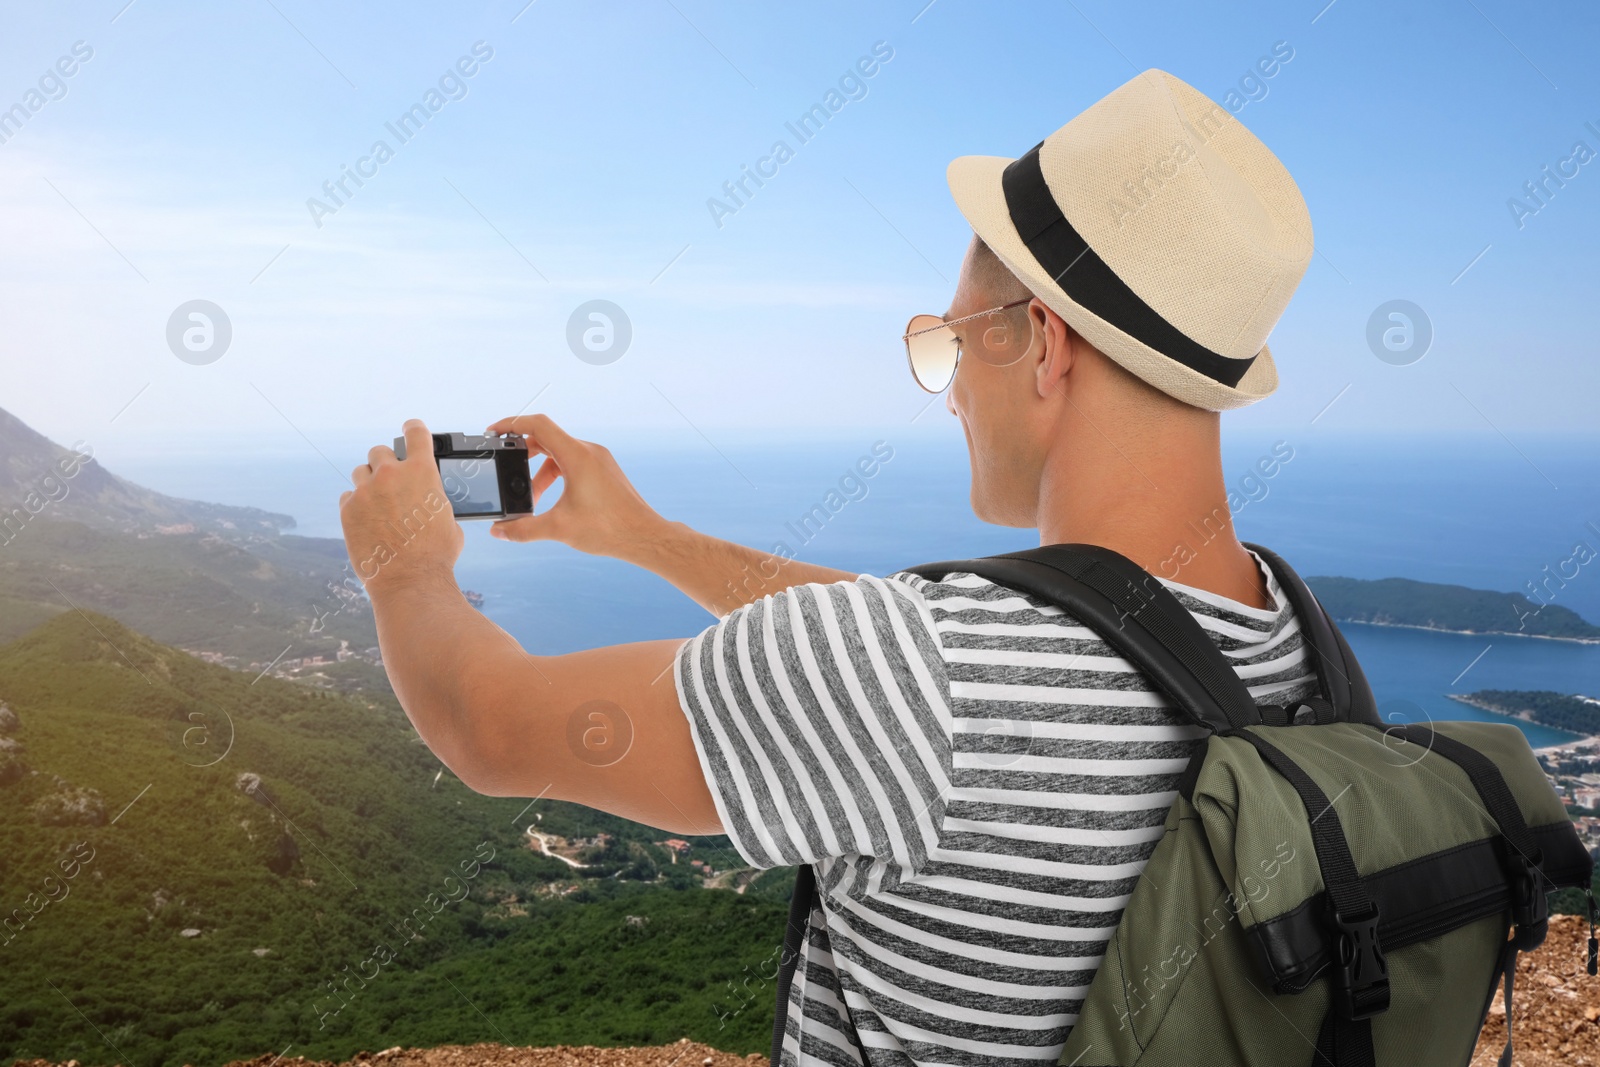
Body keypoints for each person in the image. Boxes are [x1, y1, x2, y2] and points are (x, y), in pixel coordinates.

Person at [340, 68, 1320, 1067]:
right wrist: (648, 536)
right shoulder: (1296, 646)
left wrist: (405, 567)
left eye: (945, 341)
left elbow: (489, 725)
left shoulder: (916, 677)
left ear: (1039, 344)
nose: (946, 396)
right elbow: (936, 652)